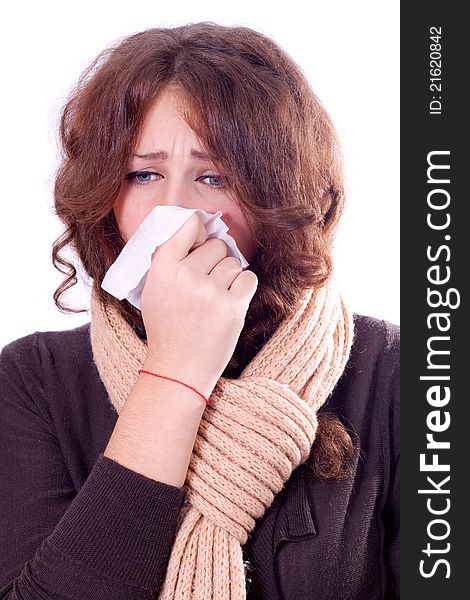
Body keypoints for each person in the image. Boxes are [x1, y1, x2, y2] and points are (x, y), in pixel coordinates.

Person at [0, 22, 399, 600]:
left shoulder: (401, 370)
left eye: (213, 178)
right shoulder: (34, 380)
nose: (177, 212)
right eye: (144, 174)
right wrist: (175, 372)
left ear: (281, 197)